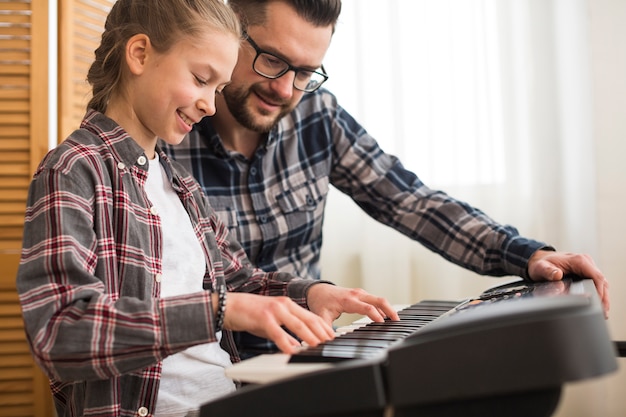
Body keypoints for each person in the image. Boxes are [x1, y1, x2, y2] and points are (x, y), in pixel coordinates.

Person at [160, 0, 610, 358]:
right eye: (273, 61)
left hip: (301, 360)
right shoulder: (167, 130)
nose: (284, 89)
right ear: (231, 27)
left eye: (304, 73)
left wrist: (527, 254)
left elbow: (411, 201)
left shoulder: (318, 115)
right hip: (205, 373)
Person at [15, 0, 399, 416]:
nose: (211, 106)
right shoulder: (73, 170)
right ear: (140, 54)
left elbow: (243, 284)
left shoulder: (179, 184)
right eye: (201, 79)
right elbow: (60, 333)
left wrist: (313, 293)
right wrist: (219, 311)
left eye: (217, 89)